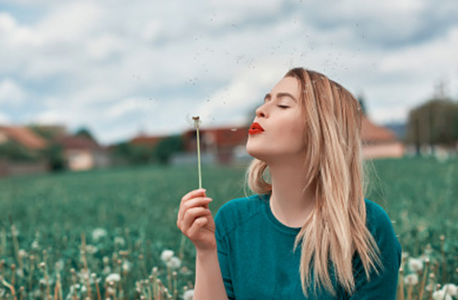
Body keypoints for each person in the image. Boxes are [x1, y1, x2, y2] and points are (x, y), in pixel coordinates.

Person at [177, 67, 402, 300]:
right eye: (265, 101)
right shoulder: (232, 221)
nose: (260, 111)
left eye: (283, 105)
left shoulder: (367, 228)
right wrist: (206, 251)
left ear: (322, 132)